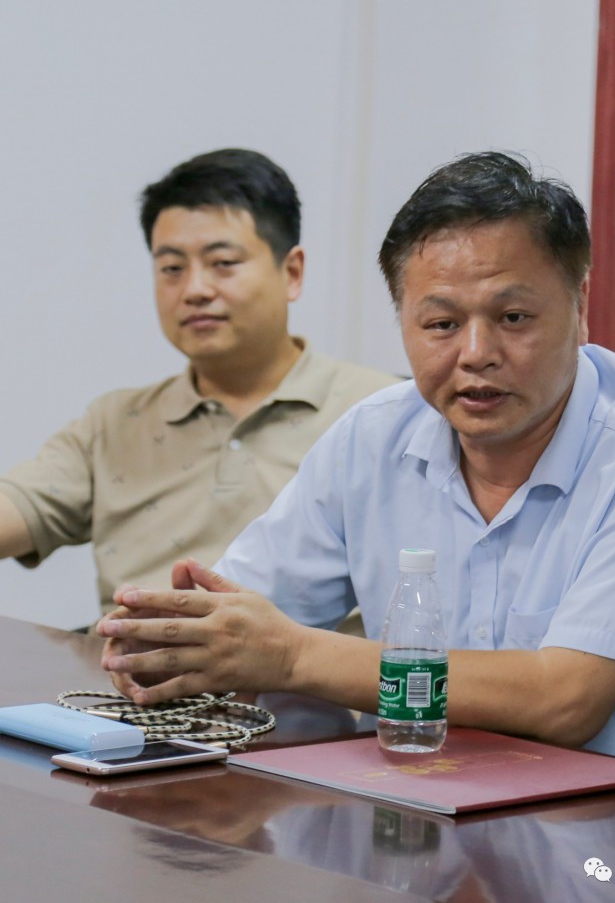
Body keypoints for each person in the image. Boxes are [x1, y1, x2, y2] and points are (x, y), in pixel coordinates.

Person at [98, 151, 615, 776]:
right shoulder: (372, 436)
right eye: (441, 323)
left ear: (580, 305)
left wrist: (292, 657)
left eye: (513, 318)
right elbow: (244, 620)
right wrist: (174, 645)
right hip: (409, 802)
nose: (476, 353)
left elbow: (565, 700)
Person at [0, 148, 396, 620]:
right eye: (172, 268)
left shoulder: (381, 413)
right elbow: (18, 506)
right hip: (125, 665)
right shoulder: (114, 423)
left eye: (222, 262)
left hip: (305, 668)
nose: (195, 290)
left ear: (291, 273)